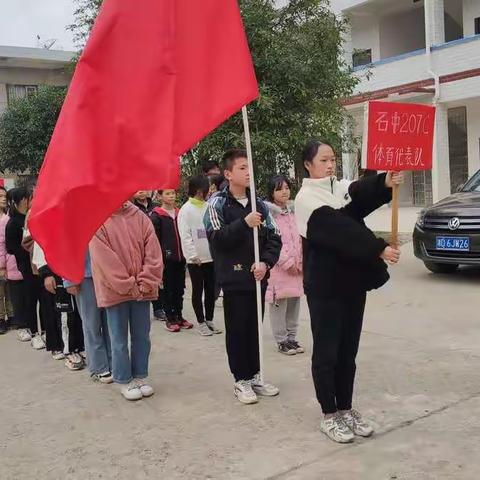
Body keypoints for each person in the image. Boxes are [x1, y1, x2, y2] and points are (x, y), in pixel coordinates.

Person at [295, 139, 402, 444]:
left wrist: (384, 181)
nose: (330, 165)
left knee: (348, 351)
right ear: (308, 164)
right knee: (327, 352)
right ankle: (329, 415)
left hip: (352, 283)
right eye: (324, 160)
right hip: (325, 287)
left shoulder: (337, 188)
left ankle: (346, 408)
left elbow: (357, 194)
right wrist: (379, 248)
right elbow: (342, 230)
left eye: (332, 160)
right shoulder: (306, 200)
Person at [204, 149, 282, 405]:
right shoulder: (217, 204)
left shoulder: (258, 203)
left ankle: (255, 375)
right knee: (238, 330)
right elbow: (217, 240)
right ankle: (241, 380)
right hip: (234, 279)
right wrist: (243, 223)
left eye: (249, 167)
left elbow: (274, 237)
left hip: (258, 277)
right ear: (228, 174)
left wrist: (266, 263)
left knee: (254, 329)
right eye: (241, 168)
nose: (248, 172)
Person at [90, 201, 163, 401]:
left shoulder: (140, 216)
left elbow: (153, 251)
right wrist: (127, 284)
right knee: (118, 338)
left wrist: (146, 280)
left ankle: (140, 375)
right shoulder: (99, 221)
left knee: (142, 336)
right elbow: (104, 260)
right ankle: (123, 379)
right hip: (116, 291)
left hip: (142, 290)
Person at [264, 175, 304, 356]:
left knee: (294, 302)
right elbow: (271, 243)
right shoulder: (268, 216)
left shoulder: (294, 212)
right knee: (279, 304)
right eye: (279, 189)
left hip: (297, 268)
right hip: (280, 269)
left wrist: (301, 261)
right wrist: (288, 263)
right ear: (272, 193)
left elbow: (300, 239)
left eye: (287, 187)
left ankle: (292, 338)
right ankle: (281, 341)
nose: (285, 192)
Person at [178, 175, 221, 337]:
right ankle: (201, 322)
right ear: (198, 190)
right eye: (207, 188)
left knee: (211, 291)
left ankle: (209, 320)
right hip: (196, 260)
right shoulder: (186, 210)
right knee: (198, 290)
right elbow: (185, 235)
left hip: (211, 257)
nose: (210, 191)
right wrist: (192, 255)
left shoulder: (209, 207)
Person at [64, 252, 112, 382]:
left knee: (111, 323)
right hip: (83, 276)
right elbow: (65, 246)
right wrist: (68, 279)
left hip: (108, 272)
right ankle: (99, 367)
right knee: (92, 324)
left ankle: (114, 362)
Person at [150, 190, 193, 333]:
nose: (172, 196)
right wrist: (158, 260)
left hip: (181, 258)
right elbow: (154, 241)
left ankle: (179, 315)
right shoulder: (156, 216)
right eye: (167, 193)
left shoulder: (180, 213)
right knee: (167, 289)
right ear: (160, 196)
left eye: (173, 193)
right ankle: (170, 317)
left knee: (179, 289)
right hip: (166, 260)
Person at [5, 187, 40, 343]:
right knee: (29, 300)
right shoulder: (14, 222)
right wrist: (25, 249)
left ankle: (43, 331)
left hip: (37, 264)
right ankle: (33, 331)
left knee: (42, 300)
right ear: (24, 200)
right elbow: (10, 247)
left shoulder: (31, 217)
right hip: (25, 266)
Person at [0, 187, 15, 334]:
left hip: (9, 261)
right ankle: (1, 320)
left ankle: (11, 317)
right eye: (0, 196)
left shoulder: (8, 218)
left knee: (9, 292)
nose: (3, 199)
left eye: (5, 196)